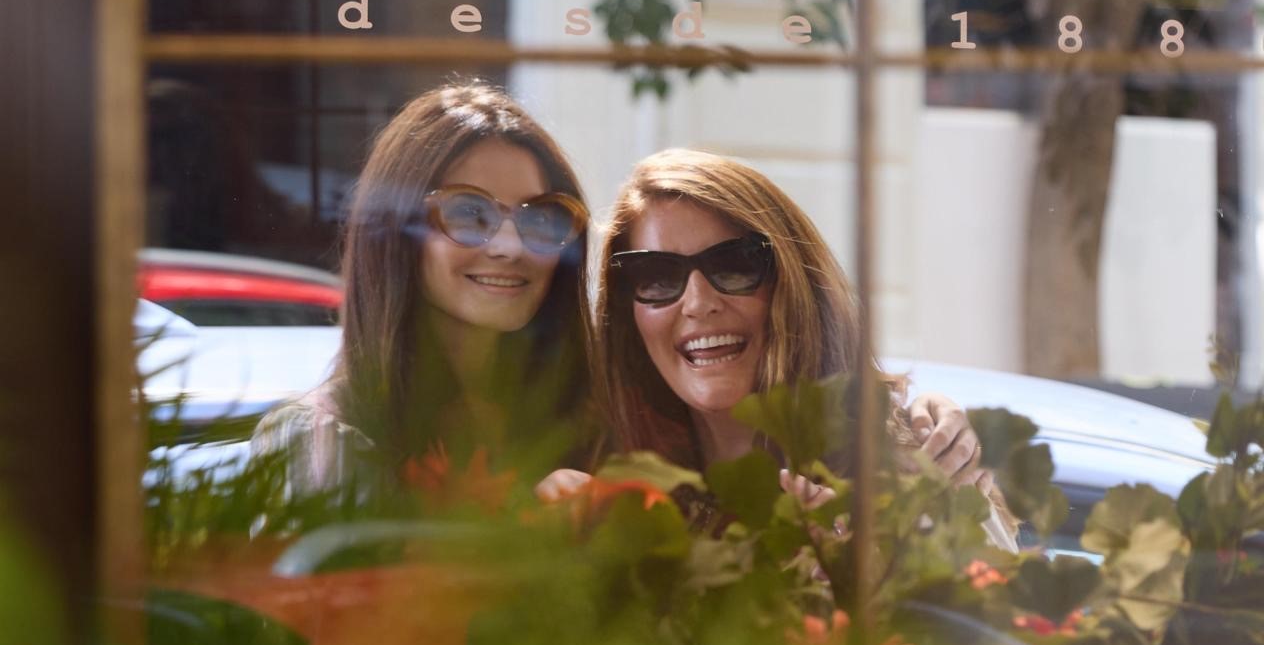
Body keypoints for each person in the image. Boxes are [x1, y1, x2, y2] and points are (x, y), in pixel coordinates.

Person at [539, 148, 1016, 551]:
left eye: (734, 266)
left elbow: (1005, 627)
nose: (699, 303)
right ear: (628, 315)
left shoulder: (921, 476)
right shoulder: (604, 485)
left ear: (794, 282)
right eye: (657, 276)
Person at [250, 81, 592, 499]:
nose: (511, 247)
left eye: (540, 217)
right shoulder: (324, 440)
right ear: (396, 230)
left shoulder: (589, 419)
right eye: (468, 212)